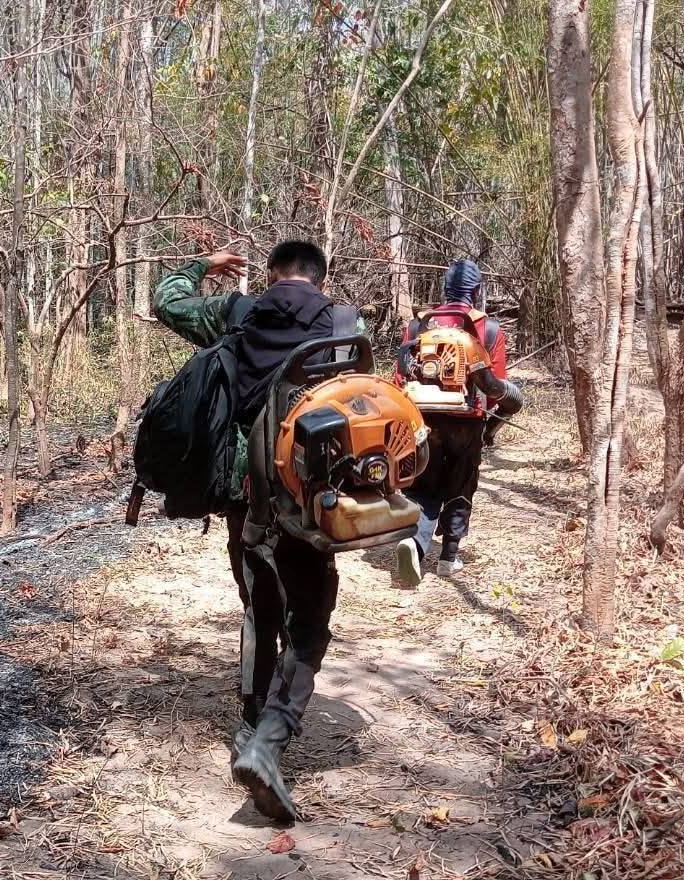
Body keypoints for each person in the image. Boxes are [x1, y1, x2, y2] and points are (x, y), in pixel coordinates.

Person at [151, 241, 364, 822]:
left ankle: (250, 723)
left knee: (258, 607)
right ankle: (268, 738)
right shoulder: (346, 325)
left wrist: (203, 266)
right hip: (308, 500)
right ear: (321, 278)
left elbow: (167, 300)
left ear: (271, 276)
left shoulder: (236, 312)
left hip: (247, 495)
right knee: (309, 619)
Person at [393, 259, 522, 587]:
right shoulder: (488, 329)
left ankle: (415, 545)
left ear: (444, 289)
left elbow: (399, 378)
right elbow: (496, 388)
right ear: (477, 292)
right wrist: (490, 425)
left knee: (422, 485)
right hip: (467, 422)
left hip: (423, 418)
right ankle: (449, 557)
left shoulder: (418, 326)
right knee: (461, 483)